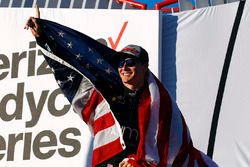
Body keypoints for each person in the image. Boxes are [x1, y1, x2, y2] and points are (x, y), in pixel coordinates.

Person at [25, 7, 218, 167]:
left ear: (145, 68)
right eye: (120, 63)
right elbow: (67, 73)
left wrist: (138, 162)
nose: (124, 67)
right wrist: (44, 38)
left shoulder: (159, 106)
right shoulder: (103, 96)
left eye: (131, 62)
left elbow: (168, 150)